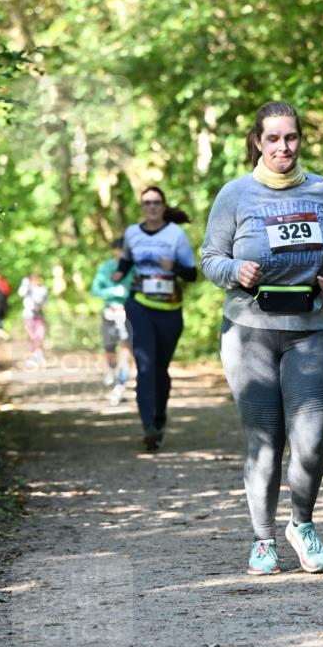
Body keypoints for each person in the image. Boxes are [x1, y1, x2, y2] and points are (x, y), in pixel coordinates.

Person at [201, 100, 323, 576]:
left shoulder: (322, 191)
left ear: (300, 140)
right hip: (250, 333)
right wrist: (235, 270)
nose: (283, 147)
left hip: (310, 330)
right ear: (258, 142)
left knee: (310, 442)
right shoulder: (235, 194)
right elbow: (210, 257)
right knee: (265, 440)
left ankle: (301, 524)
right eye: (273, 139)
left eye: (291, 138)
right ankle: (263, 539)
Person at [113, 187, 197, 450]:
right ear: (141, 206)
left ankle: (159, 419)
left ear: (163, 205)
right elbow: (127, 261)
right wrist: (119, 273)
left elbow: (192, 274)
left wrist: (174, 268)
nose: (151, 207)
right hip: (139, 305)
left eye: (156, 202)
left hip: (170, 309)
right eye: (147, 203)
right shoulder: (132, 233)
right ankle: (148, 425)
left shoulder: (176, 234)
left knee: (160, 367)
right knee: (145, 365)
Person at [91, 239, 134, 405]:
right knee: (110, 349)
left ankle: (120, 385)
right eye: (119, 250)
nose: (121, 254)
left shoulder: (134, 267)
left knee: (126, 348)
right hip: (109, 313)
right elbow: (95, 290)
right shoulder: (105, 268)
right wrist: (113, 291)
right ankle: (110, 369)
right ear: (114, 251)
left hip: (128, 313)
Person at [18, 273, 48, 367]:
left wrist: (43, 304)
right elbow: (21, 293)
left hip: (39, 315)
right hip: (28, 316)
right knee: (32, 337)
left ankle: (39, 356)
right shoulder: (27, 289)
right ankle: (32, 357)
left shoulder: (43, 289)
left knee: (40, 336)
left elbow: (45, 301)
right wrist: (25, 283)